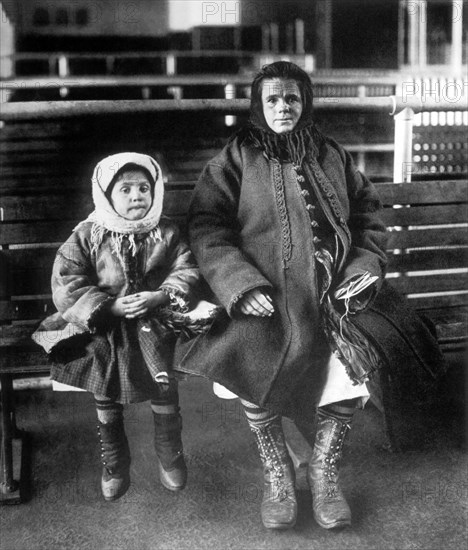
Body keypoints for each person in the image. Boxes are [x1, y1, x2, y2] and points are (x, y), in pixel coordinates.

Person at [177, 62, 444, 531]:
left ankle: (323, 473)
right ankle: (277, 472)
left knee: (357, 359)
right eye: (274, 99)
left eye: (293, 99)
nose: (284, 107)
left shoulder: (330, 152)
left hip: (337, 292)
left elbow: (369, 217)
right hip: (267, 293)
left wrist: (364, 267)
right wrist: (239, 284)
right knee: (250, 352)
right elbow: (206, 226)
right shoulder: (236, 157)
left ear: (306, 103)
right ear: (259, 105)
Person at [33, 152, 199, 501]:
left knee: (164, 375)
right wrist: (108, 306)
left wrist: (160, 296)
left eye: (143, 188)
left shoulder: (166, 231)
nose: (136, 196)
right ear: (106, 196)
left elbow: (187, 268)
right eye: (124, 189)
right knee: (103, 371)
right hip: (104, 324)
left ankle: (170, 451)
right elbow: (67, 282)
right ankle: (114, 459)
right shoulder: (88, 234)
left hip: (156, 318)